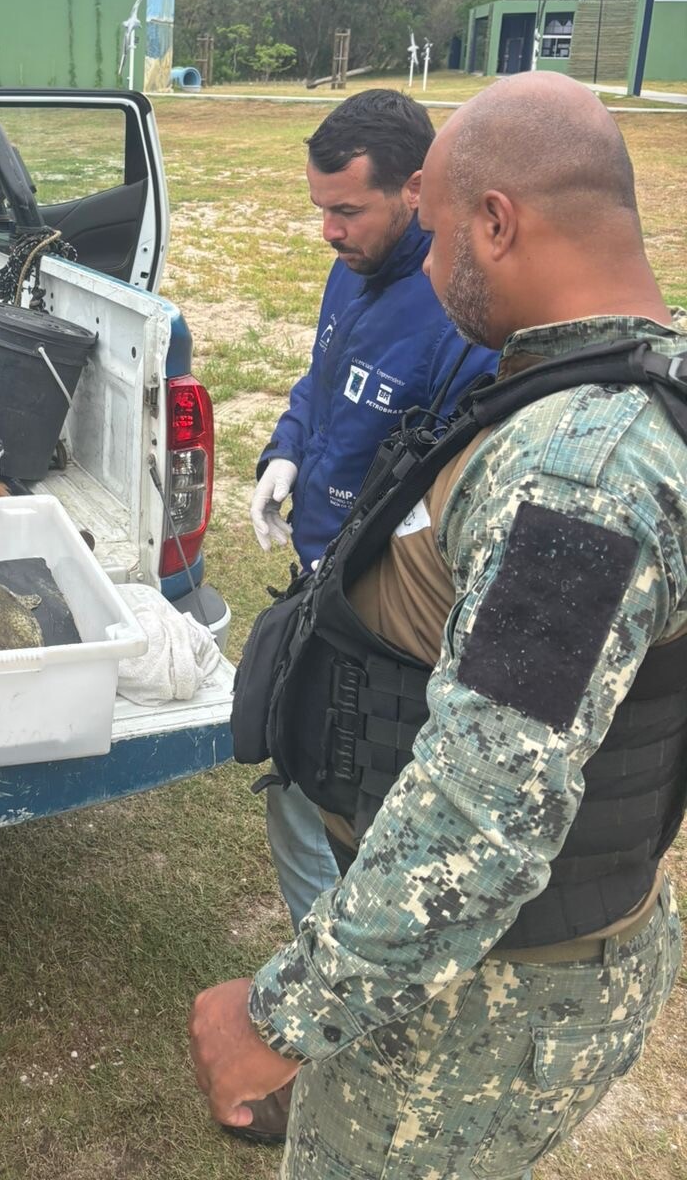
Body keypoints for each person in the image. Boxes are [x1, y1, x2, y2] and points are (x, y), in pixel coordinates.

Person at [192, 72, 687, 1177]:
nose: (423, 263)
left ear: (497, 222)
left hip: (480, 1004)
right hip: (496, 978)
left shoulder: (580, 478)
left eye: (441, 229)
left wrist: (280, 1018)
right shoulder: (609, 386)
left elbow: (480, 812)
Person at [248, 90, 495, 1017]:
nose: (328, 231)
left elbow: (452, 482)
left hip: (383, 615)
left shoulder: (460, 312)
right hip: (321, 578)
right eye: (320, 208)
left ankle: (352, 1002)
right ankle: (318, 967)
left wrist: (370, 575)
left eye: (347, 209)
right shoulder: (351, 272)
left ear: (417, 189)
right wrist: (284, 451)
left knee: (361, 804)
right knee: (292, 777)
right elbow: (321, 380)